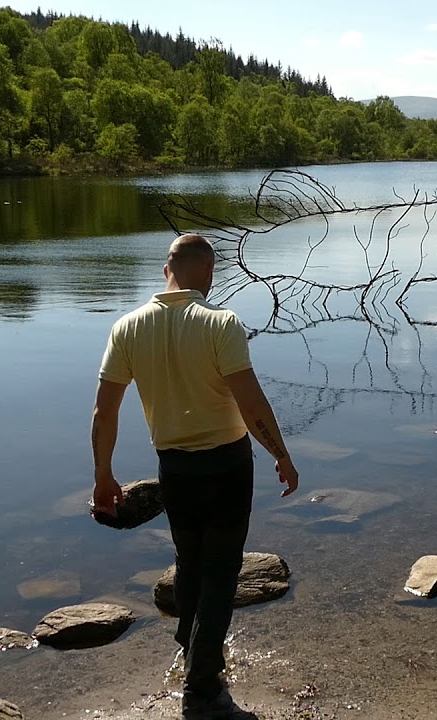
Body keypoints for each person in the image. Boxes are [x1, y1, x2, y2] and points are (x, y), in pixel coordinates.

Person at [91, 233, 299, 720]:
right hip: (227, 465)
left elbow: (105, 410)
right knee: (222, 572)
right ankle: (201, 690)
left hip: (174, 466)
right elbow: (251, 403)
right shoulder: (221, 323)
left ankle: (191, 648)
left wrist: (103, 474)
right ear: (207, 272)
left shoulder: (127, 328)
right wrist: (282, 455)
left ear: (167, 270)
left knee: (189, 562)